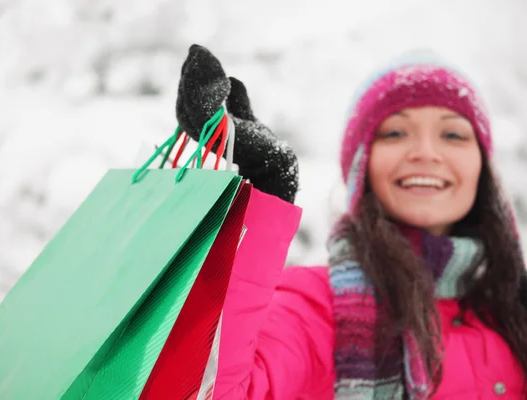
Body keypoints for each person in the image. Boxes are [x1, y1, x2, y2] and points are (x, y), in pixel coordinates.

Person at [175, 45, 527, 399]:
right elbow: (208, 390)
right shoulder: (314, 305)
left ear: (482, 167)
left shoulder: (513, 309)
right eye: (395, 133)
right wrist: (263, 203)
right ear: (362, 167)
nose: (426, 152)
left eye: (453, 135)